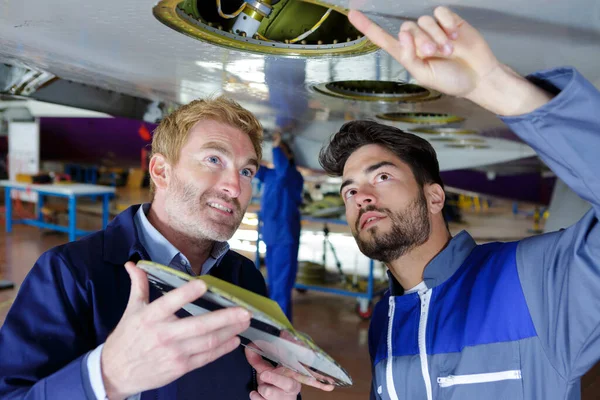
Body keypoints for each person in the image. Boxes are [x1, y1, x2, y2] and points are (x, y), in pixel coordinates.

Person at [318, 7, 600, 400]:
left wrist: (494, 84)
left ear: (434, 196)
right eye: (350, 190)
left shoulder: (534, 281)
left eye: (382, 177)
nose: (361, 196)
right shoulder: (386, 319)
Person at [0, 97, 333, 399]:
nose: (235, 186)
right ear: (160, 171)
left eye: (246, 171)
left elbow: (262, 379)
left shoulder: (244, 277)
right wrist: (106, 376)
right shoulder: (70, 274)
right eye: (214, 159)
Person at [255, 132, 304, 321]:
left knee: (282, 287)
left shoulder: (292, 176)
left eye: (283, 152)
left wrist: (277, 144)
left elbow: (283, 168)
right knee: (273, 285)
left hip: (285, 237)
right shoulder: (271, 175)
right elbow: (254, 168)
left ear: (289, 156)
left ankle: (282, 329)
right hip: (271, 235)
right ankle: (275, 324)